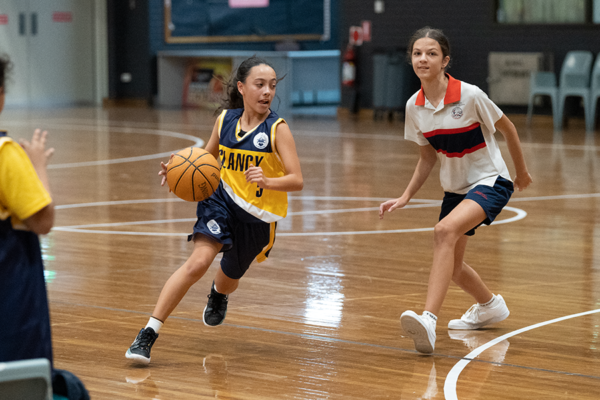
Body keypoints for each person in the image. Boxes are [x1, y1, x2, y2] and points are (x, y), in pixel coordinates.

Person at [126, 56, 304, 365]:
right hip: (219, 200)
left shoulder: (278, 129)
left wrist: (270, 180)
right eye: (259, 85)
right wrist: (176, 169)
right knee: (197, 263)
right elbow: (205, 159)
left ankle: (218, 294)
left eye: (272, 87)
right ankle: (147, 334)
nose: (267, 92)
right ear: (242, 87)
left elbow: (297, 180)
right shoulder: (224, 121)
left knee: (228, 278)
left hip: (257, 217)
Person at [379, 27, 532, 354]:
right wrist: (406, 196)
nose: (423, 58)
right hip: (455, 189)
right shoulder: (413, 107)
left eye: (431, 53)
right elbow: (426, 158)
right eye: (418, 53)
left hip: (491, 181)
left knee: (443, 231)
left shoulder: (471, 95)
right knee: (453, 266)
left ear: (445, 61)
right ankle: (490, 305)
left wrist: (521, 173)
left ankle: (429, 321)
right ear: (411, 59)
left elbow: (509, 129)